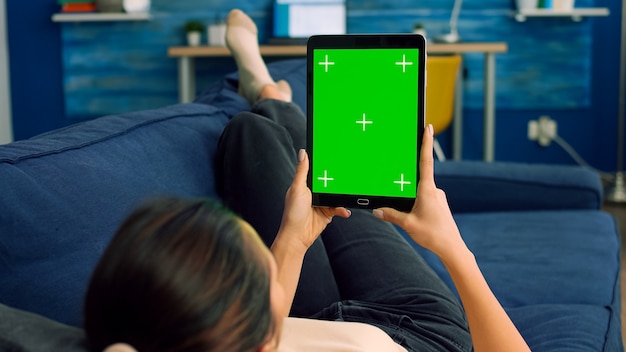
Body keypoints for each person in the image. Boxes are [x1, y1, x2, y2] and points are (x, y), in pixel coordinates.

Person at [83, 9, 530, 352]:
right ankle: (269, 91)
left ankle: (266, 91)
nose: (268, 279)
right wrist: (452, 246)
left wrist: (293, 242)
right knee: (260, 135)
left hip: (315, 317)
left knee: (249, 132)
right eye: (258, 281)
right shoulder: (255, 333)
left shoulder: (234, 334)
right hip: (421, 331)